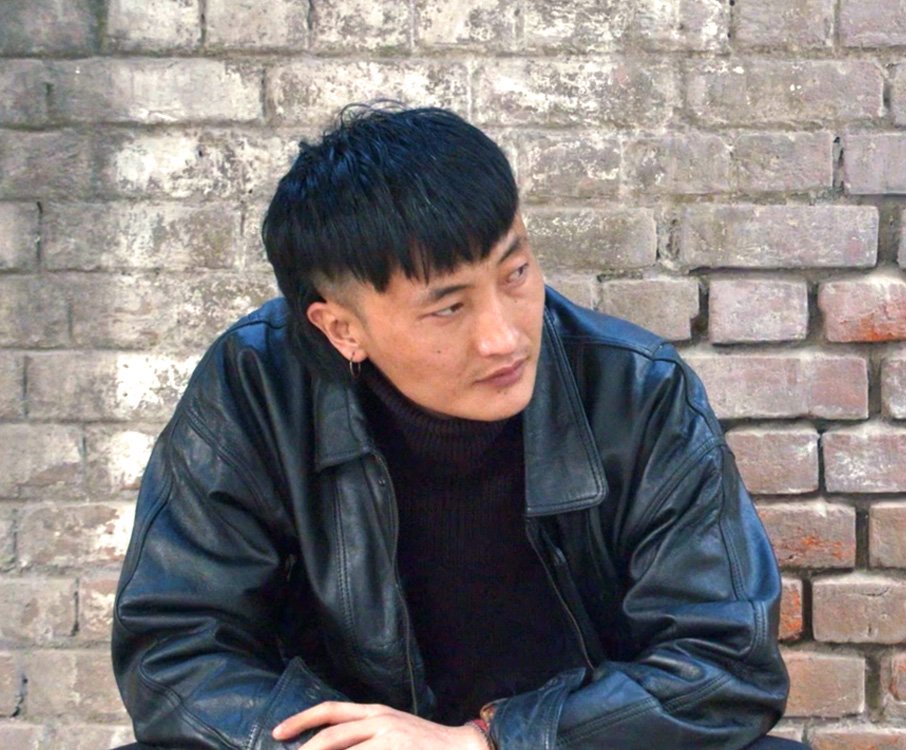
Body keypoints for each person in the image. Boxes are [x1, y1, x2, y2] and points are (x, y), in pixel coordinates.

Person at [111, 104, 804, 750]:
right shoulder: (256, 387)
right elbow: (175, 652)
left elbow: (724, 667)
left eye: (516, 272)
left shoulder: (636, 390)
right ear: (342, 328)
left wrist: (482, 740)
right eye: (448, 308)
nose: (504, 337)